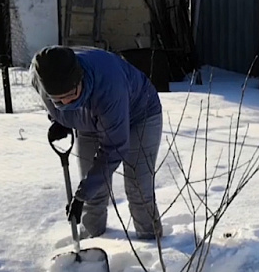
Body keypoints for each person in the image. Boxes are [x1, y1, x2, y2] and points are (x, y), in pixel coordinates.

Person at [30, 45, 163, 240]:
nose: (66, 103)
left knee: (138, 187)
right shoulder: (40, 78)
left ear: (80, 78)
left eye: (71, 96)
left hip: (140, 114)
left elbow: (114, 149)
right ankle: (93, 238)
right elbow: (56, 106)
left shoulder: (110, 86)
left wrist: (81, 195)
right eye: (58, 100)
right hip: (90, 121)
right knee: (93, 185)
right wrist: (59, 120)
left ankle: (152, 243)